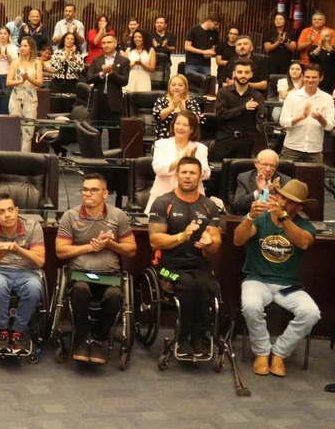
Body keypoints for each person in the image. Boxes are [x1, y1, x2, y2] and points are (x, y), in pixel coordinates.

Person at [234, 178, 320, 377]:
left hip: (288, 285)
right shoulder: (260, 218)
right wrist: (249, 218)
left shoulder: (305, 225)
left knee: (311, 312)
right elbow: (238, 240)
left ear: (299, 207)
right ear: (276, 196)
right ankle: (262, 352)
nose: (283, 203)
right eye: (282, 197)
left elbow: (303, 242)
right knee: (251, 305)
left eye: (290, 201)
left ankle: (280, 352)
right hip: (257, 279)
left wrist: (283, 219)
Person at [56, 173, 136, 362]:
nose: (88, 193)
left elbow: (131, 250)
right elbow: (60, 251)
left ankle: (98, 339)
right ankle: (82, 340)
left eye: (94, 190)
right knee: (81, 291)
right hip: (80, 275)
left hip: (109, 276)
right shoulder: (70, 216)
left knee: (116, 296)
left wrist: (111, 245)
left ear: (105, 193)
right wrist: (90, 247)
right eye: (85, 189)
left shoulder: (118, 216)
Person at [148, 156, 223, 358]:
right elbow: (155, 241)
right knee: (187, 285)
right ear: (177, 175)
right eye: (184, 172)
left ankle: (199, 337)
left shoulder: (209, 206)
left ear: (200, 177)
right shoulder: (163, 203)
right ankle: (182, 337)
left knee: (207, 285)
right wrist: (181, 237)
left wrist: (210, 242)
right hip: (166, 268)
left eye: (192, 173)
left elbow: (216, 245)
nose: (188, 176)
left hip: (199, 266)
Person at [0, 194, 46, 354]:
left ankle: (18, 332)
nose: (7, 215)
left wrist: (17, 249)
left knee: (35, 287)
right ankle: (2, 330)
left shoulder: (33, 226)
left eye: (10, 210)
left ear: (17, 210)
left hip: (27, 271)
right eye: (1, 212)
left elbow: (40, 261)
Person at [147, 110, 211, 213]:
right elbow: (158, 169)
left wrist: (194, 162)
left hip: (192, 198)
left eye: (185, 125)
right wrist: (181, 159)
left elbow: (206, 174)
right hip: (163, 196)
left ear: (192, 129)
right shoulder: (161, 144)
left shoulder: (201, 148)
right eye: (177, 124)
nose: (180, 128)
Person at [210, 59, 266, 162]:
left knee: (241, 172)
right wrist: (243, 108)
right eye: (240, 72)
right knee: (219, 172)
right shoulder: (223, 92)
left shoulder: (257, 96)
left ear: (251, 74)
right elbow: (220, 115)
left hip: (246, 141)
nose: (243, 75)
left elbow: (262, 117)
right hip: (225, 138)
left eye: (247, 72)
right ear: (234, 73)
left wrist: (261, 114)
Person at [278, 64, 333, 164]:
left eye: (314, 77)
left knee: (314, 179)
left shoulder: (327, 98)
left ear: (321, 78)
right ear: (302, 77)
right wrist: (302, 116)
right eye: (307, 77)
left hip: (314, 150)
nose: (310, 80)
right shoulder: (292, 96)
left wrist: (320, 118)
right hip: (292, 148)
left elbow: (330, 126)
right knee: (287, 178)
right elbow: (283, 121)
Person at [86, 34, 129, 147]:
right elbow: (89, 78)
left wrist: (111, 73)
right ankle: (94, 159)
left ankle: (113, 160)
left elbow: (124, 81)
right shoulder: (96, 60)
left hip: (114, 102)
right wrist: (102, 74)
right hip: (98, 101)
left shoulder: (124, 61)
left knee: (114, 134)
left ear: (115, 44)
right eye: (104, 43)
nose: (106, 45)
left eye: (109, 42)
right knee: (94, 132)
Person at [8, 36, 44, 152]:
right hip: (16, 98)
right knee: (15, 130)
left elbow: (39, 83)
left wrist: (28, 78)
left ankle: (25, 158)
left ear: (31, 48)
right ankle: (14, 157)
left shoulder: (37, 63)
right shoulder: (15, 62)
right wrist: (21, 81)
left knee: (28, 132)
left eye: (25, 46)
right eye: (21, 46)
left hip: (31, 98)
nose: (22, 48)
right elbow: (8, 82)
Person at [229, 149, 290, 215]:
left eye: (272, 165)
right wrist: (258, 192)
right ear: (256, 163)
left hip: (275, 219)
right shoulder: (244, 178)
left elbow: (289, 208)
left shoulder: (286, 180)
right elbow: (238, 204)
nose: (268, 169)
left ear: (276, 167)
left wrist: (277, 194)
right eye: (264, 164)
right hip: (252, 218)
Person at [152, 73, 203, 139]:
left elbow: (196, 120)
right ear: (169, 87)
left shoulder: (192, 102)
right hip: (165, 139)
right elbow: (158, 117)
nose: (176, 87)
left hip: (187, 140)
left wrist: (184, 110)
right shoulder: (161, 100)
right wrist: (173, 106)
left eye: (180, 85)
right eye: (173, 85)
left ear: (185, 87)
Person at [264, 12, 298, 77]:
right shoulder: (269, 33)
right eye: (276, 19)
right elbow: (267, 49)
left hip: (286, 61)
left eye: (280, 19)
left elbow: (293, 49)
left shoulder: (291, 33)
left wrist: (285, 41)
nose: (278, 21)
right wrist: (278, 42)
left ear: (285, 21)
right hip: (272, 61)